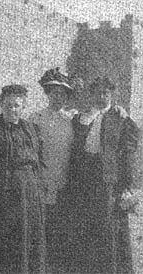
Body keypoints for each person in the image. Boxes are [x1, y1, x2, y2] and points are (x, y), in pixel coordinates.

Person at [60, 77, 140, 274]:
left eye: (105, 93)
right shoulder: (82, 117)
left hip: (107, 180)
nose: (101, 96)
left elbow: (127, 155)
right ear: (92, 94)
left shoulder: (121, 118)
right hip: (84, 179)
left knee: (107, 228)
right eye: (98, 92)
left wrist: (126, 187)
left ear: (111, 95)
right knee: (85, 226)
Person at [0, 84, 47, 273]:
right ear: (1, 104)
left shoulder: (31, 130)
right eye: (8, 105)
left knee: (26, 243)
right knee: (1, 246)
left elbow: (39, 163)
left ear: (23, 107)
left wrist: (39, 191)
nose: (13, 109)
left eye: (17, 106)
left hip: (28, 199)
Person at [28, 67, 83, 272]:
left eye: (62, 94)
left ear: (67, 97)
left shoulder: (72, 119)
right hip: (42, 181)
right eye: (54, 93)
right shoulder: (35, 119)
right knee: (41, 230)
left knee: (61, 232)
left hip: (65, 182)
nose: (57, 97)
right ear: (47, 94)